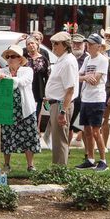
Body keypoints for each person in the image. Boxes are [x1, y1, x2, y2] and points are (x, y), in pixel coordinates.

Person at [0, 45, 40, 171]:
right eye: (8, 57)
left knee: (29, 136)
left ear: (20, 59)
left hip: (26, 110)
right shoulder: (2, 71)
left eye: (13, 56)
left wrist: (6, 79)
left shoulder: (27, 70)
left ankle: (30, 165)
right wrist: (1, 79)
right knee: (7, 137)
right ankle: (6, 164)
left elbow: (22, 82)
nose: (10, 59)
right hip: (8, 109)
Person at [75, 34, 110, 171]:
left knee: (96, 131)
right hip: (85, 98)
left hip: (97, 99)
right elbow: (77, 76)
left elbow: (95, 80)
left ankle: (103, 160)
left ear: (99, 46)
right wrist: (85, 77)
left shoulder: (103, 60)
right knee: (87, 130)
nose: (88, 46)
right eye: (87, 43)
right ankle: (90, 159)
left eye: (91, 44)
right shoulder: (87, 59)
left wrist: (85, 77)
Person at [45, 32, 79, 166]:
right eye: (53, 44)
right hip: (56, 103)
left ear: (65, 45)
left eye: (56, 44)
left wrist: (63, 111)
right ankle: (57, 168)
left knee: (60, 140)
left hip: (61, 104)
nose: (53, 46)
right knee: (57, 140)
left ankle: (60, 170)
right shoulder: (62, 60)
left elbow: (70, 89)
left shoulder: (68, 62)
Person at [23, 38, 50, 129]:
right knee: (25, 114)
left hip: (38, 91)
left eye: (32, 43)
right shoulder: (23, 58)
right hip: (25, 89)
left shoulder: (43, 59)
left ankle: (35, 131)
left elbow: (47, 77)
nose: (31, 45)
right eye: (28, 44)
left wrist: (46, 93)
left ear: (37, 44)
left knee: (36, 114)